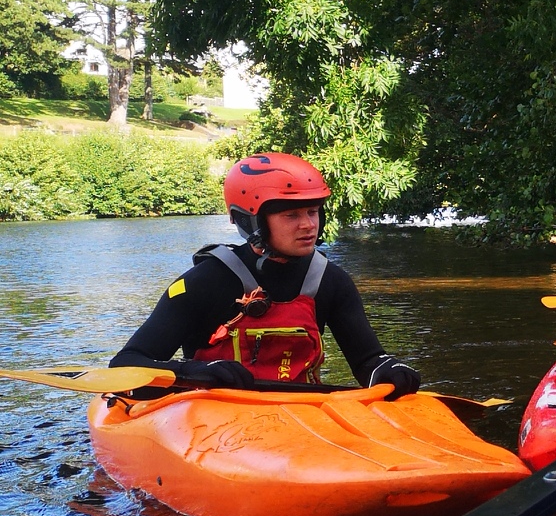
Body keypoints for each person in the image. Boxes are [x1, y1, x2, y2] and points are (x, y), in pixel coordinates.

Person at [113, 153, 421, 395]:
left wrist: (388, 371)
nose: (308, 225)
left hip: (296, 416)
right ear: (250, 222)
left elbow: (368, 361)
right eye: (291, 215)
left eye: (313, 212)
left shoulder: (331, 281)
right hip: (212, 419)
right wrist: (193, 371)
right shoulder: (203, 283)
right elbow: (126, 364)